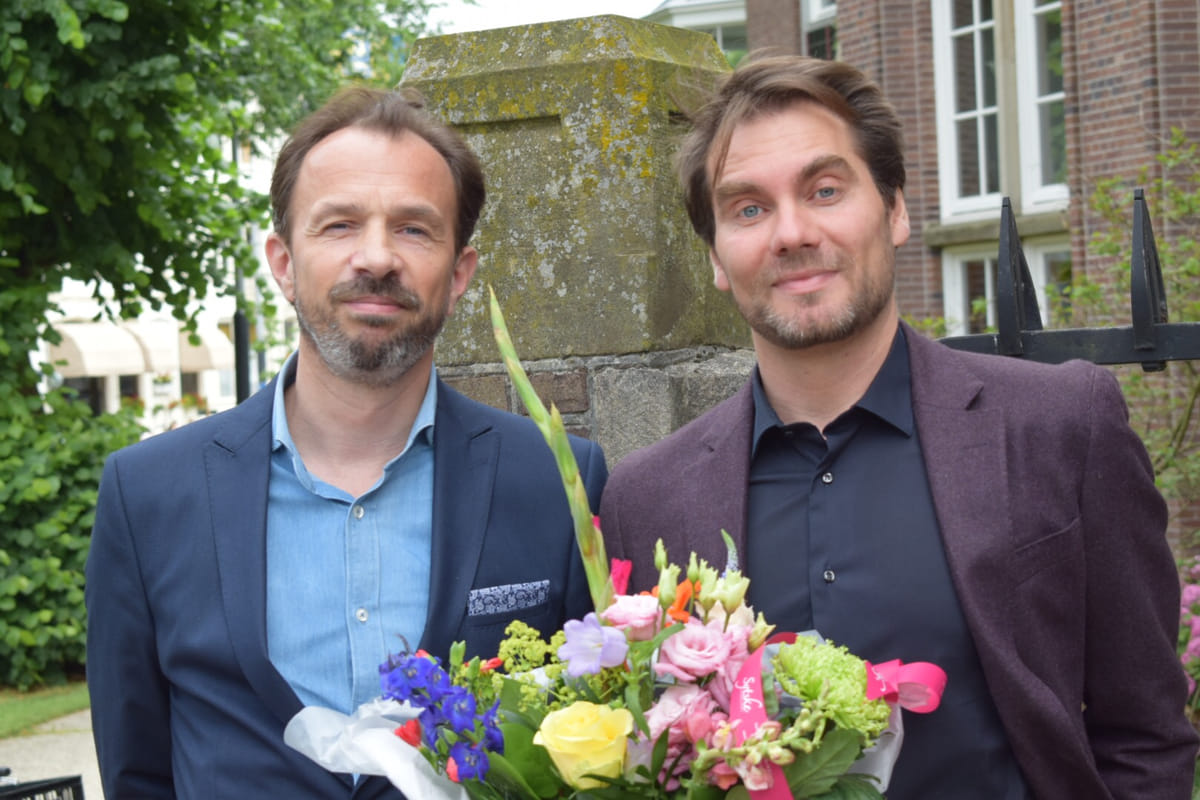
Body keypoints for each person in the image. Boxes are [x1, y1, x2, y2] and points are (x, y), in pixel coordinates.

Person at [598, 55, 1198, 798]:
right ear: (717, 258)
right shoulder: (647, 498)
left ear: (895, 210)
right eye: (748, 209)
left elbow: (1146, 736)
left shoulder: (1059, 427)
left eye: (824, 190)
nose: (791, 232)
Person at [85, 86, 607, 799]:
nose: (377, 257)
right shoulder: (147, 496)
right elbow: (136, 776)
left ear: (459, 274)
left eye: (414, 229)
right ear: (283, 262)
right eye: (339, 225)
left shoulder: (557, 480)